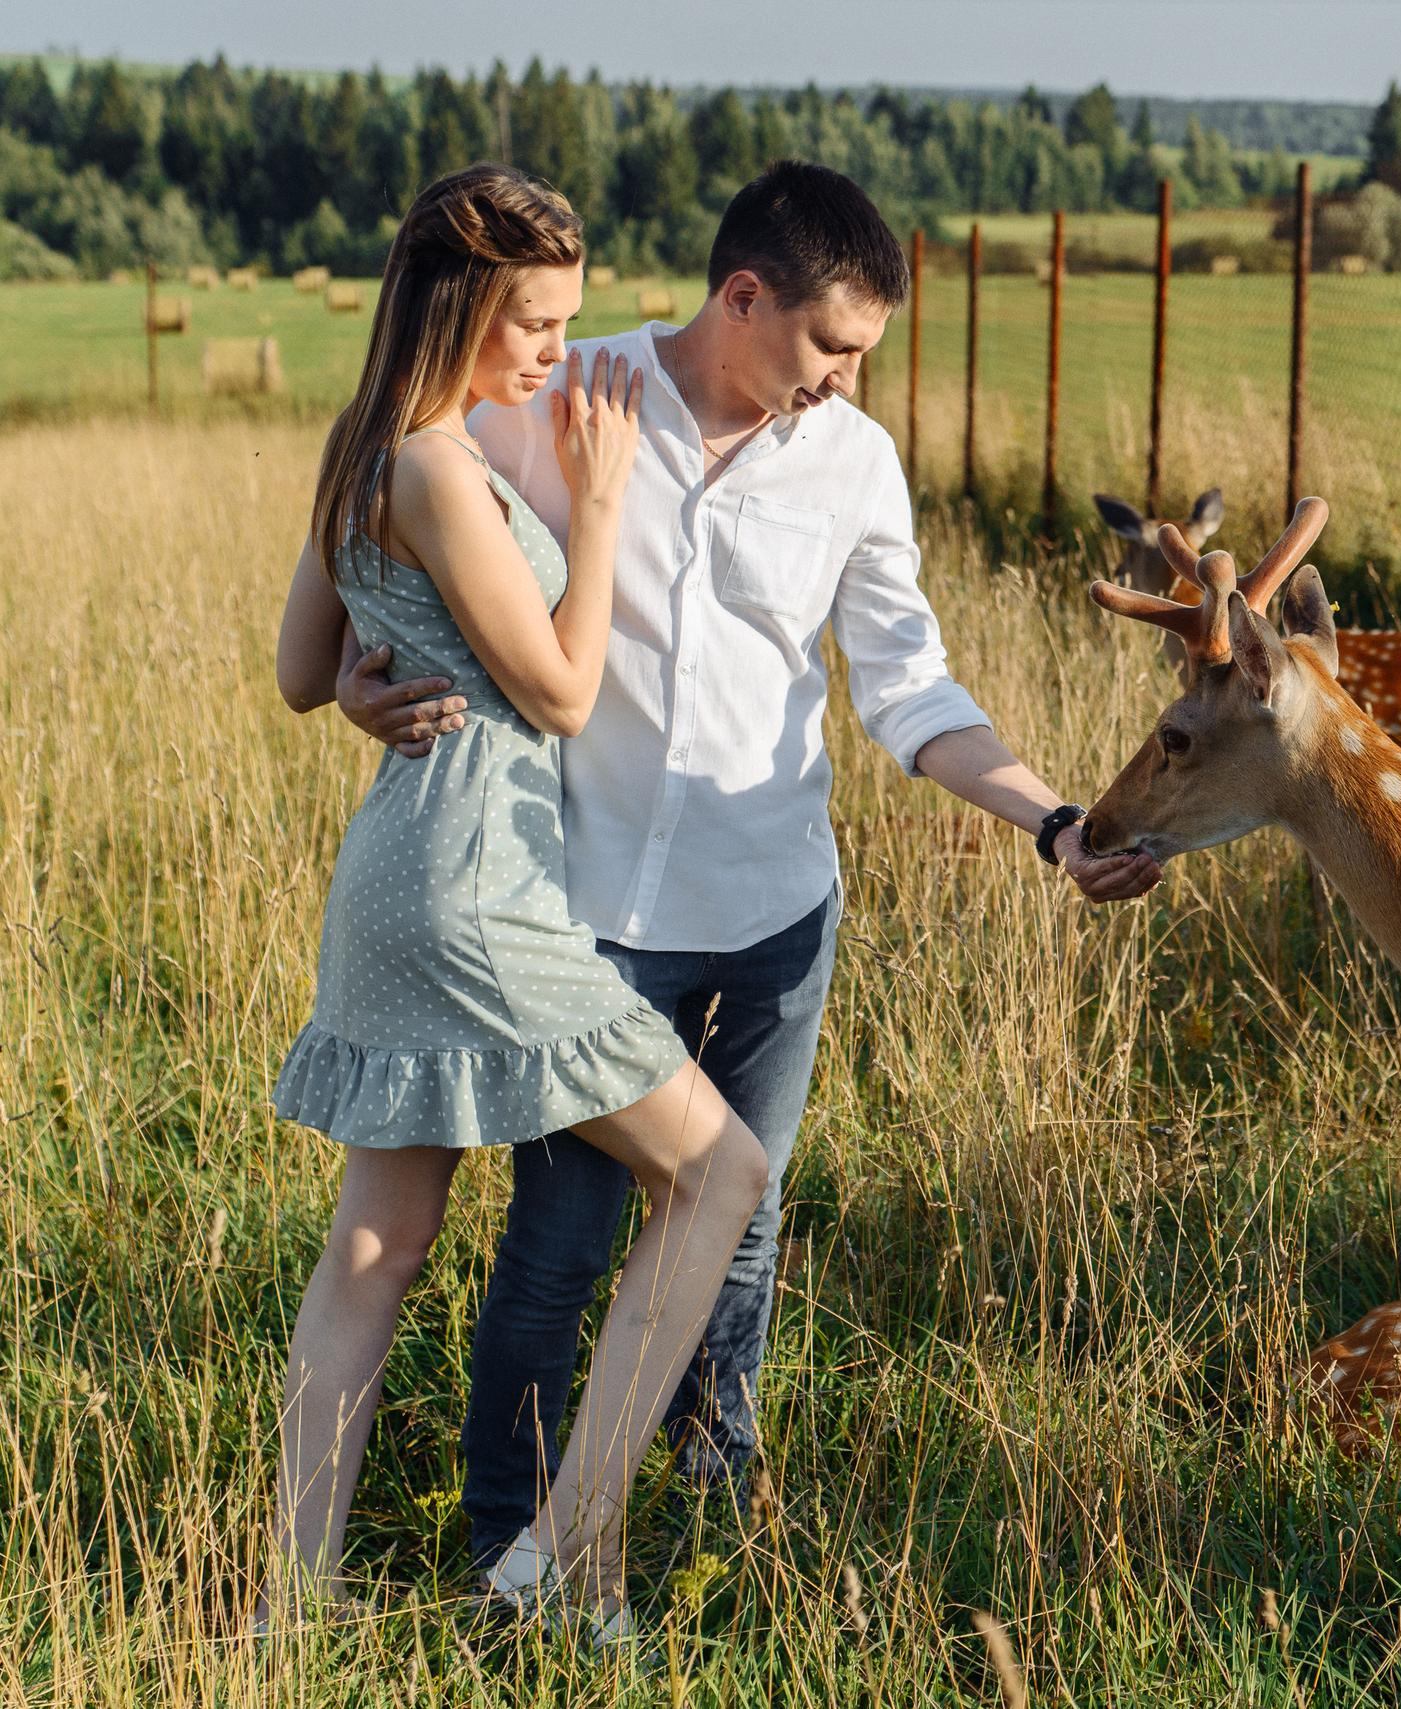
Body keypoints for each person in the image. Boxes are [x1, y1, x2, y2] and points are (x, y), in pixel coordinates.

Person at [329, 159, 1162, 1572]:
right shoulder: (556, 394)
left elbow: (911, 693)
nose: (847, 378)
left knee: (742, 1218)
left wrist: (1055, 820)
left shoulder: (853, 463)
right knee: (561, 1243)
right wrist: (364, 679)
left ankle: (705, 1519)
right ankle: (504, 1545)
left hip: (774, 911)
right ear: (743, 295)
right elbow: (397, 502)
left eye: (865, 355)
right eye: (832, 344)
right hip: (582, 914)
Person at [267, 163, 767, 1641]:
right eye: (534, 320)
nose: (557, 348)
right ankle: (570, 1553)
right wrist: (601, 509)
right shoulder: (430, 461)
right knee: (723, 1173)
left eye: (565, 317)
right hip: (477, 885)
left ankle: (289, 1604)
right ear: (462, 304)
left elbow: (304, 673)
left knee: (377, 1244)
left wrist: (369, 680)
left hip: (393, 874)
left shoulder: (362, 447)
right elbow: (555, 689)